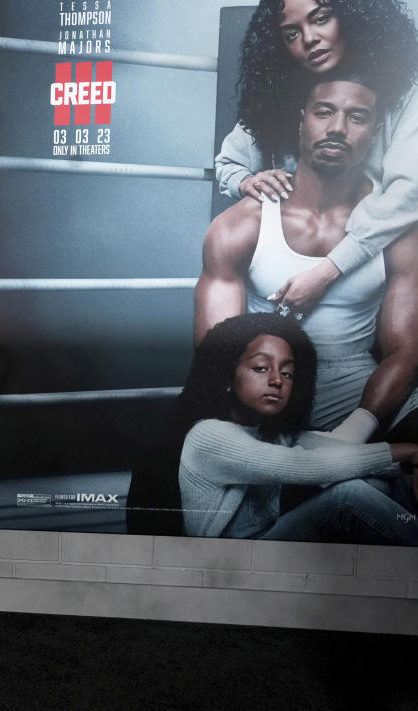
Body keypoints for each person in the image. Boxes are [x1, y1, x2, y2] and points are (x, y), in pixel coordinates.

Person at [198, 73, 418, 439]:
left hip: (359, 388)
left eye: (357, 118)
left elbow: (406, 352)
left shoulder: (395, 229)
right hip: (268, 383)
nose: (337, 128)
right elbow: (215, 351)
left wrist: (354, 435)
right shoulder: (243, 223)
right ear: (301, 119)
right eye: (324, 112)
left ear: (376, 133)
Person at [215, 0, 418, 316]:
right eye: (292, 33)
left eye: (321, 19)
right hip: (288, 262)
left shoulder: (404, 92)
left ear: (353, 17)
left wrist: (329, 269)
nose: (309, 38)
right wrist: (247, 181)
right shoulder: (276, 93)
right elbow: (228, 164)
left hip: (375, 260)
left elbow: (409, 194)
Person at [179, 313, 418, 542]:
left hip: (268, 549)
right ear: (227, 378)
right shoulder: (207, 435)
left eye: (287, 373)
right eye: (261, 368)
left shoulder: (272, 434)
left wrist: (406, 464)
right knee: (348, 495)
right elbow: (305, 465)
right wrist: (404, 451)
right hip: (225, 561)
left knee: (379, 485)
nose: (277, 381)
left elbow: (339, 452)